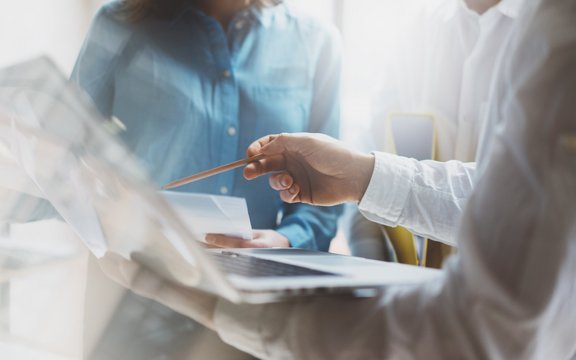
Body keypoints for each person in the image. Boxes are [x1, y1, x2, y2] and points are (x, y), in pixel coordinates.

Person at [100, 0, 576, 357]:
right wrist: (363, 175)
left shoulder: (556, 30)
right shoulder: (120, 24)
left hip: (265, 307)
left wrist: (239, 299)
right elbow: (504, 195)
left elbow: (483, 330)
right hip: (140, 298)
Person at [72, 0, 342, 251]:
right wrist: (97, 201)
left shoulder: (316, 42)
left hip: (256, 287)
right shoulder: (118, 22)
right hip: (131, 273)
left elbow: (324, 189)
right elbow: (64, 150)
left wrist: (287, 240)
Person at [348, 0, 521, 261]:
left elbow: (521, 196)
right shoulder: (416, 31)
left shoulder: (555, 35)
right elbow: (372, 146)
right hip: (420, 289)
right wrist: (372, 272)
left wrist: (360, 176)